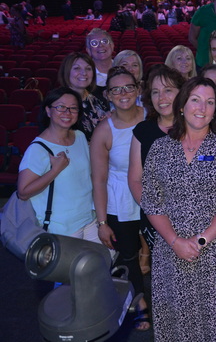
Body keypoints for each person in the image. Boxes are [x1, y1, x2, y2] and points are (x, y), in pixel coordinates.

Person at [141, 76, 216, 341]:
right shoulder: (160, 149)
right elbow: (151, 201)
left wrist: (200, 240)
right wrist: (175, 242)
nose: (201, 108)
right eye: (195, 100)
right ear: (181, 105)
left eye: (209, 102)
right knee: (181, 326)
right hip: (173, 254)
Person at [90, 66, 148, 330]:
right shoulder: (104, 130)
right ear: (108, 95)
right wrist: (102, 222)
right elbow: (99, 180)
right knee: (127, 257)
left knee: (165, 252)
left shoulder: (152, 116)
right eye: (116, 89)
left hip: (154, 197)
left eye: (129, 87)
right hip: (120, 201)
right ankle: (140, 306)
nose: (123, 93)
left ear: (138, 89)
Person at [17, 87, 99, 242]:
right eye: (60, 107)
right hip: (61, 227)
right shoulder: (38, 149)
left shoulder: (80, 137)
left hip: (89, 219)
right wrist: (55, 170)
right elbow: (23, 192)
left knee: (101, 263)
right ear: (48, 111)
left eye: (73, 108)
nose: (67, 112)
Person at [128, 65, 185, 254]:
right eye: (155, 92)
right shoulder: (142, 131)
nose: (162, 98)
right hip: (155, 218)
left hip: (192, 217)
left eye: (168, 90)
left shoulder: (194, 127)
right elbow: (135, 179)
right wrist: (155, 212)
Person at [57, 52, 110, 142]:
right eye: (77, 68)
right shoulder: (58, 102)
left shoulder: (98, 98)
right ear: (66, 71)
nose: (83, 73)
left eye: (88, 69)